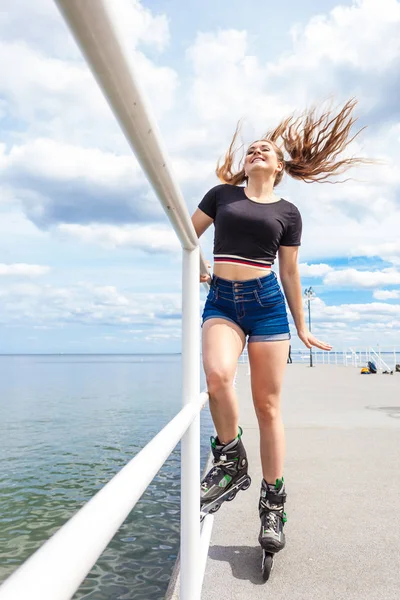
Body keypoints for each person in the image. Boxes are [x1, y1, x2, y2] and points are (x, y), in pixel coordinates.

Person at [191, 98, 368, 560]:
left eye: (265, 149)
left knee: (268, 407)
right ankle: (230, 459)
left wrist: (302, 326)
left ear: (279, 165)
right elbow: (187, 235)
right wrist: (201, 266)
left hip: (267, 305)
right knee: (216, 378)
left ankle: (272, 504)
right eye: (251, 148)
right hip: (223, 302)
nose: (257, 151)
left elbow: (290, 272)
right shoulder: (221, 196)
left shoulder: (288, 211)